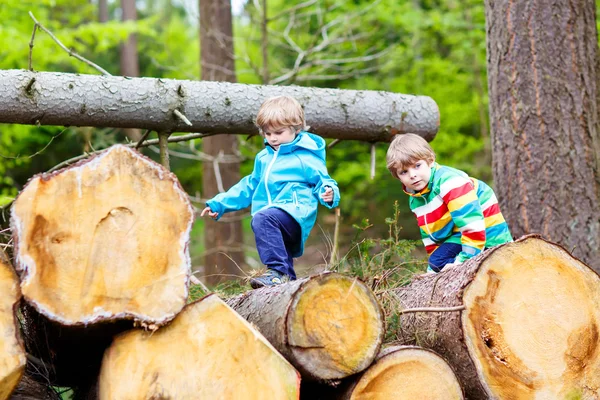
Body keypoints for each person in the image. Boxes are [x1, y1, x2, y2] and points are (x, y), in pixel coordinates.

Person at [200, 95, 340, 288]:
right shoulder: (264, 158)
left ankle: (277, 273)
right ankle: (286, 287)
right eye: (267, 133)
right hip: (274, 218)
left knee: (262, 219)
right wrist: (220, 203)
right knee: (268, 226)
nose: (273, 138)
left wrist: (329, 192)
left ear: (296, 128)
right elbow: (249, 185)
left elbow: (323, 181)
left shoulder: (305, 156)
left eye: (279, 132)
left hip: (295, 213)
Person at [386, 133, 512, 272]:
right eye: (404, 172)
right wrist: (433, 269)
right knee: (436, 263)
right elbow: (429, 233)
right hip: (458, 235)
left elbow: (472, 224)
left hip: (488, 235)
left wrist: (463, 262)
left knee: (440, 263)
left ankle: (477, 262)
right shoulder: (416, 198)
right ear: (397, 176)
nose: (412, 175)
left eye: (417, 166)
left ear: (430, 160)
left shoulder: (451, 183)